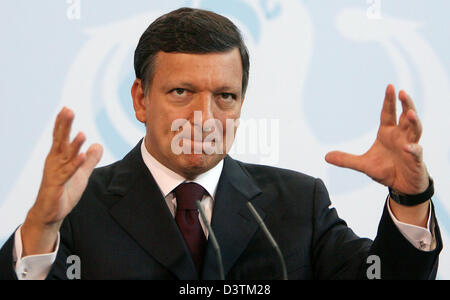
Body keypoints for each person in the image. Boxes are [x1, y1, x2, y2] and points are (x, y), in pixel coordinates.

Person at [0, 7, 442, 280]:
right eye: (181, 92)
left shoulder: (297, 202)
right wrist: (40, 226)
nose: (205, 117)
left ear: (242, 102)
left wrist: (409, 197)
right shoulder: (77, 207)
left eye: (224, 97)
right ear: (140, 99)